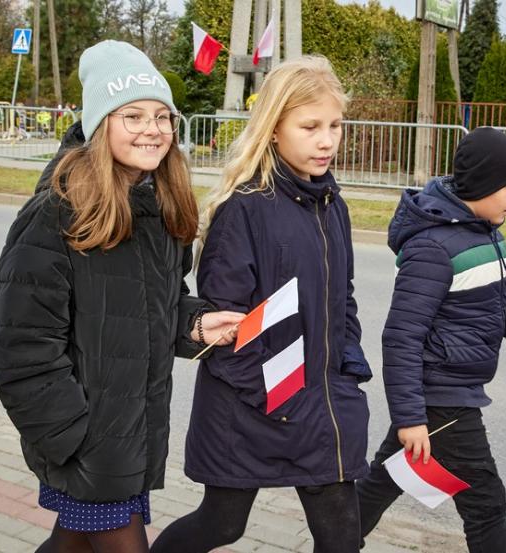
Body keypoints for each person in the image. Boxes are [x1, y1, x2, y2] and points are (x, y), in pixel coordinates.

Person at [0, 40, 244, 553]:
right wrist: (74, 436)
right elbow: (22, 349)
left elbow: (155, 305)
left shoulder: (159, 203)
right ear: (98, 124)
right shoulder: (56, 213)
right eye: (133, 115)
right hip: (88, 442)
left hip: (128, 435)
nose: (153, 129)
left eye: (162, 116)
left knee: (71, 546)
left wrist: (197, 325)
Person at [150, 56, 372, 553]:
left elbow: (343, 300)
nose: (326, 140)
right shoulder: (244, 209)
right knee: (222, 525)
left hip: (321, 406)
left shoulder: (332, 205)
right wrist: (283, 397)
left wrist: (347, 371)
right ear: (273, 129)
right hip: (251, 407)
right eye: (310, 127)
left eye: (335, 125)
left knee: (342, 537)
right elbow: (227, 329)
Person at [357, 127, 506, 553]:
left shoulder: (487, 234)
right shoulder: (433, 248)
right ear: (481, 185)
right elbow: (402, 337)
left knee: (383, 482)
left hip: (446, 393)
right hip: (443, 397)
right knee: (486, 505)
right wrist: (410, 418)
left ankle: (335, 537)